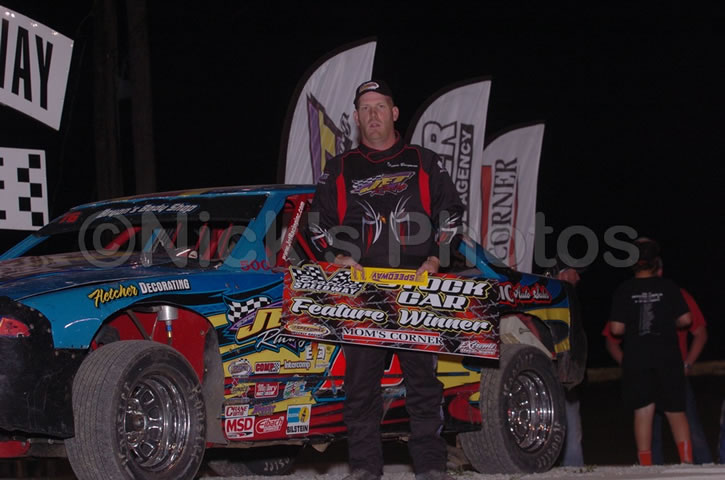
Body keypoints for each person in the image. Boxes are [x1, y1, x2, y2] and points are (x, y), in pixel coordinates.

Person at [307, 80, 464, 480]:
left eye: (380, 106)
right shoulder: (340, 168)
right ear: (356, 118)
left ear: (394, 113)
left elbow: (451, 212)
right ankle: (364, 468)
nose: (373, 114)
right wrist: (336, 256)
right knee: (360, 387)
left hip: (416, 285)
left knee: (423, 385)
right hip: (361, 290)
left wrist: (437, 258)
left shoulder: (424, 160)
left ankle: (431, 467)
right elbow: (315, 223)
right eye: (365, 108)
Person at [603, 260, 713, 464]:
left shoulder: (630, 290)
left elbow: (616, 329)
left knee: (650, 414)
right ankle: (672, 466)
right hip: (661, 365)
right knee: (669, 417)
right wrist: (627, 364)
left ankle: (691, 468)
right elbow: (686, 320)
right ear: (656, 267)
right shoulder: (665, 289)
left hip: (659, 367)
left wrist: (687, 364)